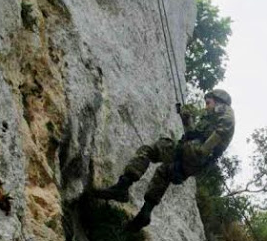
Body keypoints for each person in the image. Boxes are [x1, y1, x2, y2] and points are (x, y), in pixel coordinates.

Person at [94, 89, 235, 231]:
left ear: (218, 101)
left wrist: (202, 151)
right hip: (194, 159)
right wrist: (187, 119)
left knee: (150, 150)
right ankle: (144, 214)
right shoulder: (211, 118)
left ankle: (122, 187)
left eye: (208, 102)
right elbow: (193, 134)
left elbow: (222, 131)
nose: (206, 106)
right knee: (164, 172)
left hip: (193, 154)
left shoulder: (225, 111)